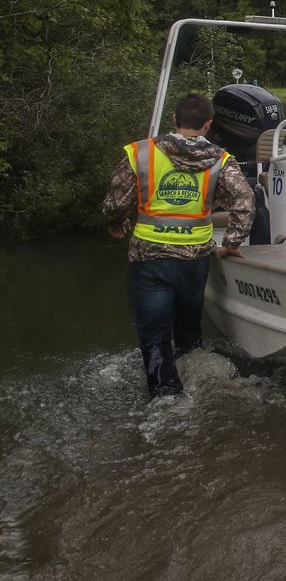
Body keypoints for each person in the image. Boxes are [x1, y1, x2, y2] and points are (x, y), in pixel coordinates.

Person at [102, 92, 254, 397]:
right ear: (208, 125)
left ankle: (165, 395)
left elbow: (114, 203)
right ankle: (199, 382)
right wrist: (233, 241)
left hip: (150, 258)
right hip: (195, 260)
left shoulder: (140, 153)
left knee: (155, 336)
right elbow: (245, 201)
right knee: (188, 331)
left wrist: (116, 223)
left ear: (174, 120)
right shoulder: (221, 160)